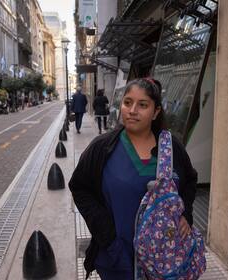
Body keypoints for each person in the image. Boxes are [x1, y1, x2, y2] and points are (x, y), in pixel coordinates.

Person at [69, 78, 197, 279]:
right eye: (127, 102)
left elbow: (190, 181)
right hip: (117, 259)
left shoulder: (171, 148)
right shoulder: (103, 148)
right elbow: (80, 188)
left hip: (163, 260)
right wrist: (107, 237)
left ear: (156, 112)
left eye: (143, 105)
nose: (132, 110)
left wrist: (186, 215)